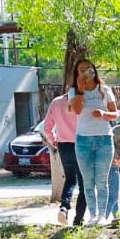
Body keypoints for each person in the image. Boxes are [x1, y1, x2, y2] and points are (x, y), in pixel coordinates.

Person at [68, 60, 120, 225]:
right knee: (87, 181)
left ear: (94, 71)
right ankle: (92, 215)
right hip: (83, 140)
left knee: (102, 181)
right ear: (77, 74)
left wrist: (104, 114)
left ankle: (103, 217)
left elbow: (116, 114)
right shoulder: (73, 91)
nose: (84, 73)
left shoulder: (104, 90)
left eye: (88, 69)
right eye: (81, 70)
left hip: (104, 139)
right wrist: (81, 90)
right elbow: (76, 110)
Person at [45, 90, 86, 225]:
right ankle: (78, 219)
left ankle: (64, 207)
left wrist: (53, 141)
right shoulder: (83, 101)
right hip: (82, 144)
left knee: (69, 180)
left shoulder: (56, 102)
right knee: (84, 184)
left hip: (64, 146)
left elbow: (47, 128)